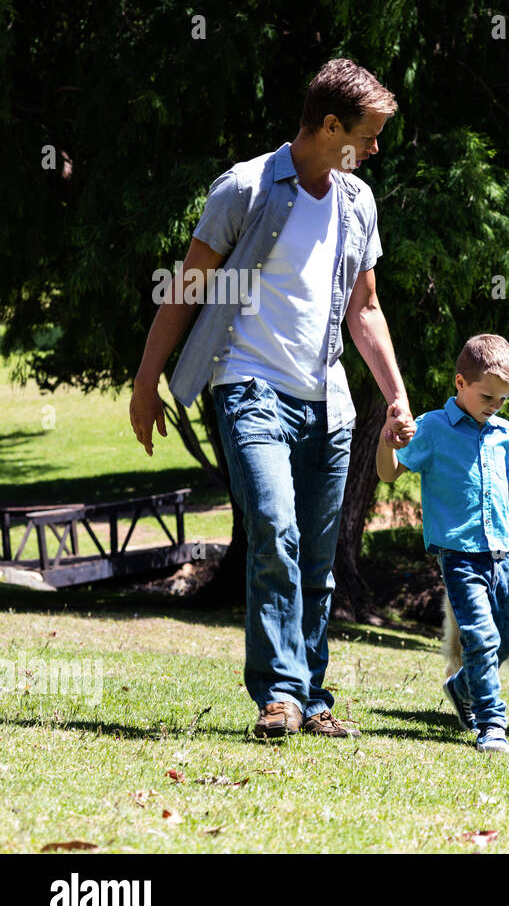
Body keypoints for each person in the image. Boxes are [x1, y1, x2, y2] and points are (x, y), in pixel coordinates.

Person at [128, 59, 416, 739]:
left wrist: (397, 395)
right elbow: (188, 288)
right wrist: (147, 381)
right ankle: (278, 695)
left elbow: (365, 309)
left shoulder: (356, 202)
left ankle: (312, 697)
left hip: (328, 400)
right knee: (274, 532)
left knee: (317, 557)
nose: (375, 149)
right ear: (328, 125)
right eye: (368, 136)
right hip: (249, 383)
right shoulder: (247, 188)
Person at [376, 334, 509, 753]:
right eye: (487, 396)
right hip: (459, 554)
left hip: (503, 552)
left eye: (502, 400)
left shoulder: (504, 433)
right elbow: (389, 475)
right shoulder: (431, 429)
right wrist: (385, 440)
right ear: (460, 383)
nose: (494, 406)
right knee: (480, 637)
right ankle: (491, 723)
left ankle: (461, 690)